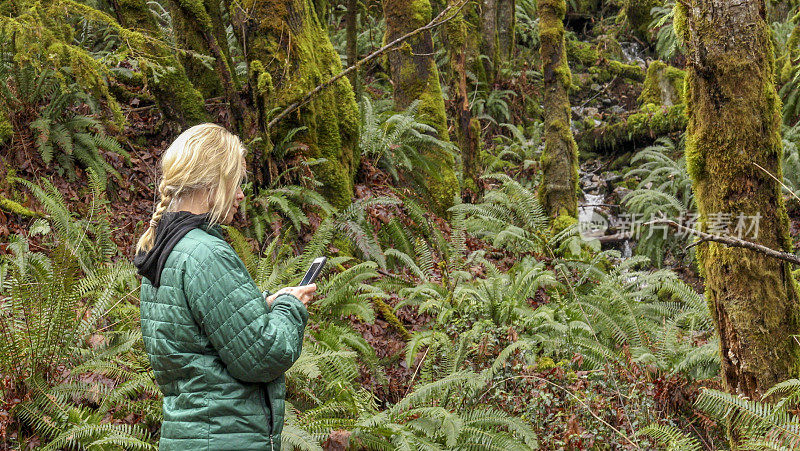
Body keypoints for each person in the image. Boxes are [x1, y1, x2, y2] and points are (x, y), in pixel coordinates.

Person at [133, 123, 315, 450]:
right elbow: (263, 354)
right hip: (224, 436)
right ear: (211, 183)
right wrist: (291, 308)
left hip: (187, 435)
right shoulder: (206, 253)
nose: (242, 194)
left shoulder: (162, 249)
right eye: (236, 182)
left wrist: (265, 302)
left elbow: (199, 332)